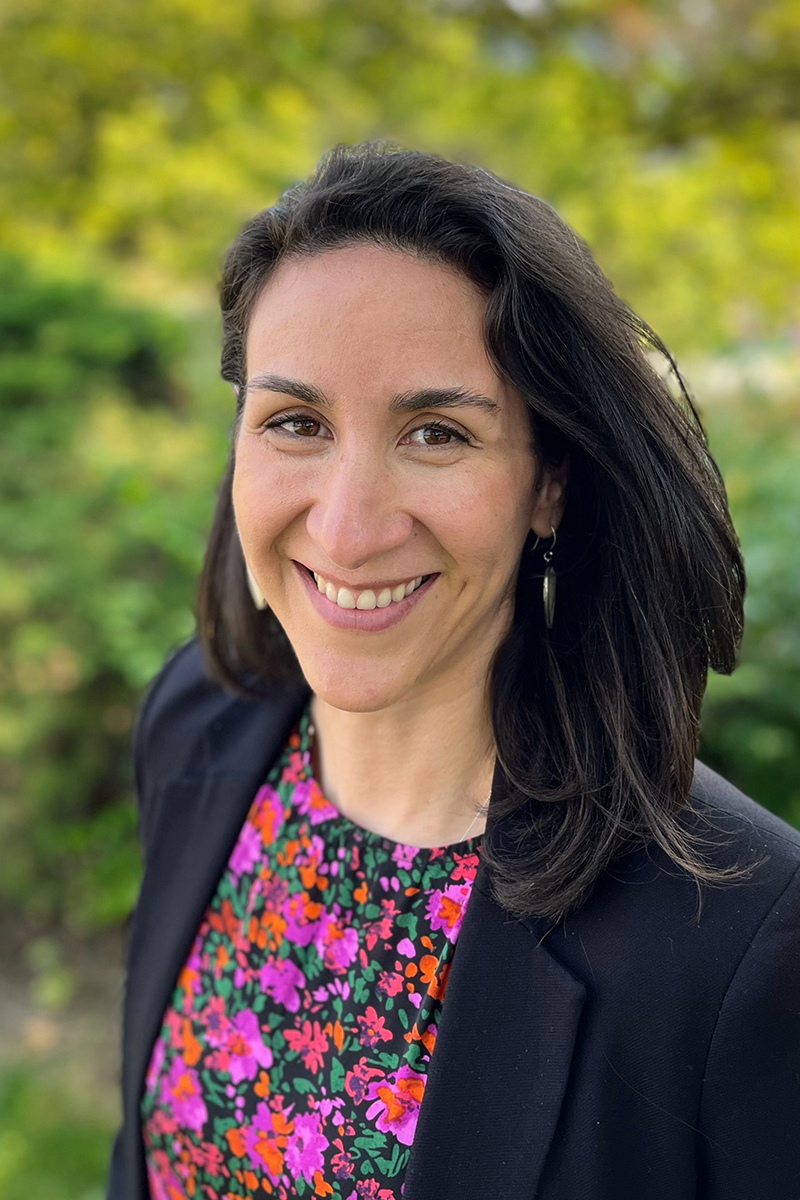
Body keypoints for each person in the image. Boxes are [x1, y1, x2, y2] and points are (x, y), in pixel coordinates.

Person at [105, 141, 800, 1200]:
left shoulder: (739, 939)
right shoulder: (196, 721)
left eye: (434, 433)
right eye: (295, 422)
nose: (345, 528)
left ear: (549, 486)